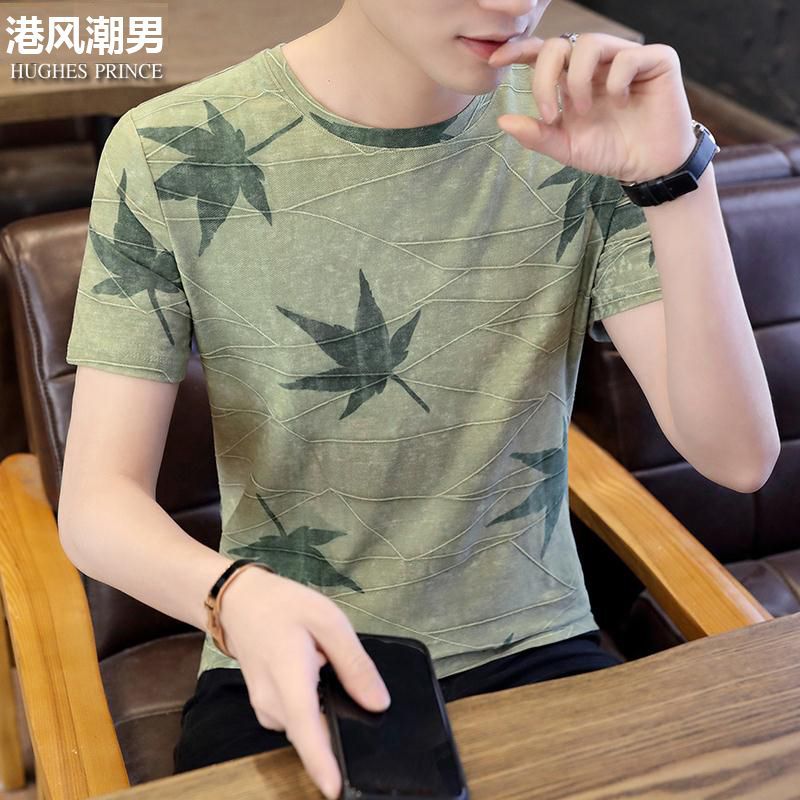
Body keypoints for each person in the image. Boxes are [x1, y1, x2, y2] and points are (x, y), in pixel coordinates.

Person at [58, 1, 779, 798]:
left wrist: (675, 178)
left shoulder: (577, 128)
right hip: (284, 648)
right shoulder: (169, 146)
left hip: (536, 643)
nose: (511, 3)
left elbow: (738, 457)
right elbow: (96, 503)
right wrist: (232, 595)